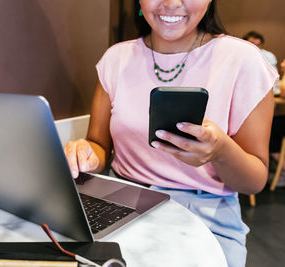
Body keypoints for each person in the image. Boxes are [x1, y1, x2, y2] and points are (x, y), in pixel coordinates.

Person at [64, 1, 278, 267]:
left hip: (206, 216)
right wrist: (86, 156)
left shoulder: (243, 60)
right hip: (119, 204)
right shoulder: (115, 59)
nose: (172, 3)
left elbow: (255, 181)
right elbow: (98, 145)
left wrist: (221, 151)